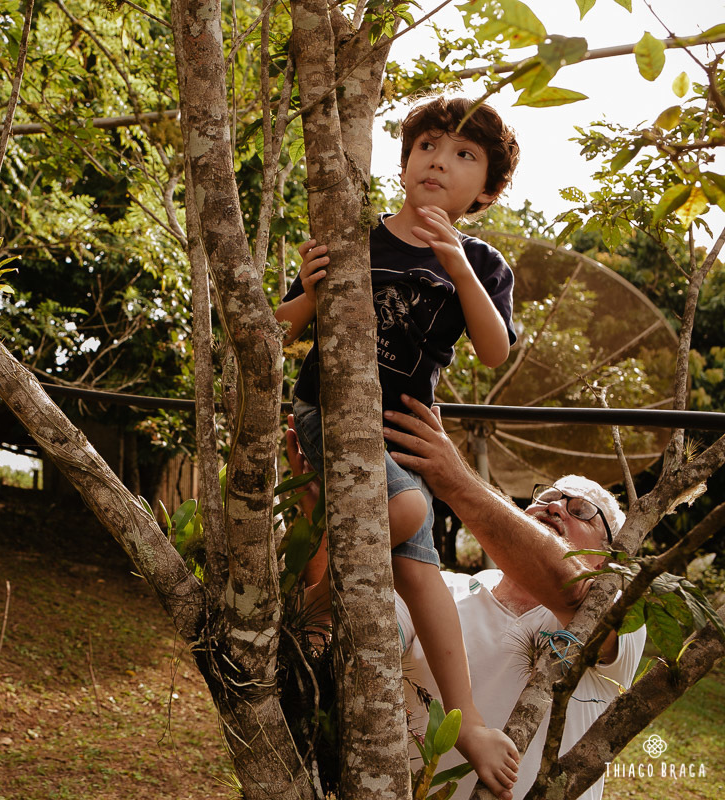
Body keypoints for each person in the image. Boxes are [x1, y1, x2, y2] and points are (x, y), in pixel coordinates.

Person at [276, 95, 521, 796]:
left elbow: (495, 349)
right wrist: (308, 291)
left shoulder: (482, 261)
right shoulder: (356, 238)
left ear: (487, 191)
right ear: (406, 158)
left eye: (464, 155)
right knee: (410, 513)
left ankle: (468, 721)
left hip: (401, 434)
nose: (440, 161)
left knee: (422, 574)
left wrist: (459, 266)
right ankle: (315, 603)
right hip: (327, 409)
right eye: (428, 145)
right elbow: (282, 327)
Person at [381, 394, 646, 800]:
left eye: (580, 511)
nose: (556, 508)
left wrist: (457, 480)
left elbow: (572, 590)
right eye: (547, 499)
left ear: (606, 560)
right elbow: (355, 632)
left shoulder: (619, 612)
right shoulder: (440, 588)